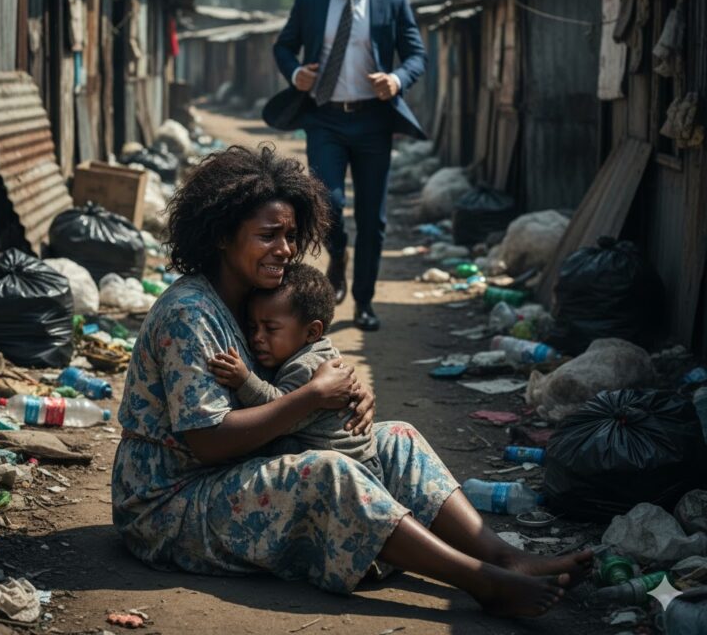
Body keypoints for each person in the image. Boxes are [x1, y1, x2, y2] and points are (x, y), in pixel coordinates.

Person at [112, 144, 592, 620]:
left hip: (237, 470)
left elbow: (306, 361)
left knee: (398, 438)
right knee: (328, 472)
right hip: (172, 503)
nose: (285, 249)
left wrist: (348, 389)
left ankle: (504, 556)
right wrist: (313, 397)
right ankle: (482, 582)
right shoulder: (191, 314)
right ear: (221, 234)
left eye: (291, 235)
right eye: (268, 236)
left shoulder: (256, 298)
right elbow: (208, 442)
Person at [264, 0, 427, 332]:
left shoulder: (393, 0)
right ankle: (337, 254)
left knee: (373, 219)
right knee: (328, 203)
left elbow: (416, 55)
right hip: (325, 119)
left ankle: (364, 302)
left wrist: (396, 79)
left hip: (374, 120)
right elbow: (283, 46)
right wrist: (295, 72)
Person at [207, 263, 384, 481]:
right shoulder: (318, 350)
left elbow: (280, 409)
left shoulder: (307, 365)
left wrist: (244, 381)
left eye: (270, 329)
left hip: (350, 468)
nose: (257, 337)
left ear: (312, 332)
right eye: (252, 328)